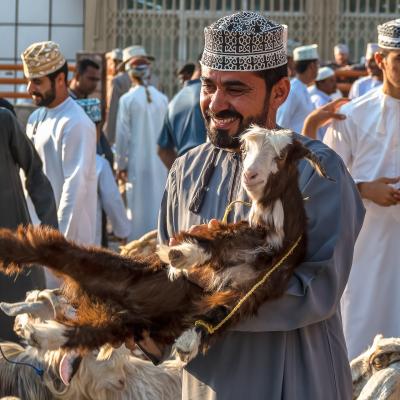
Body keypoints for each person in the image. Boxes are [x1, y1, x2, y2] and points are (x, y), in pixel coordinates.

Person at [152, 12, 364, 399]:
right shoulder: (187, 169)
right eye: (208, 86)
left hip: (292, 374)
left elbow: (318, 288)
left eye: (235, 89)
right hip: (204, 380)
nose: (216, 103)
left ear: (279, 92)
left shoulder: (318, 170)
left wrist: (204, 300)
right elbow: (168, 265)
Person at [324, 18, 400, 360]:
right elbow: (324, 181)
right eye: (399, 61)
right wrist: (365, 189)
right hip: (367, 242)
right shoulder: (352, 115)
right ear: (381, 61)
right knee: (363, 329)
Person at [22, 41, 97, 287]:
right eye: (29, 80)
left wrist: (58, 245)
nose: (30, 88)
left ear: (61, 79)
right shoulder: (36, 117)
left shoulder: (76, 123)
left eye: (37, 82)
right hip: (38, 240)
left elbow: (75, 188)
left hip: (67, 245)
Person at [0, 107, 58, 340]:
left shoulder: (3, 122)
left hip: (16, 256)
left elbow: (35, 173)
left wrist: (49, 234)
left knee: (24, 337)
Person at [115, 56, 168, 241]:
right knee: (157, 203)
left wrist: (120, 164)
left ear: (131, 76)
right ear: (149, 73)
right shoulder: (163, 99)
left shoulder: (127, 100)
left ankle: (137, 248)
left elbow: (122, 136)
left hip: (136, 164)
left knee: (136, 208)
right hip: (160, 164)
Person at [76, 98, 130, 246]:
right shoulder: (99, 164)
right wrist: (122, 232)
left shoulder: (60, 157)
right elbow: (113, 201)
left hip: (57, 241)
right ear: (96, 130)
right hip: (89, 245)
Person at [157, 59, 206, 169]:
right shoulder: (212, 96)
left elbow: (163, 151)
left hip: (185, 176)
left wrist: (180, 174)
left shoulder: (174, 101)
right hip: (214, 174)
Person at [104, 45, 156, 144]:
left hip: (129, 138)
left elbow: (113, 112)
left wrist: (110, 140)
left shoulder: (118, 81)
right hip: (152, 138)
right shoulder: (155, 80)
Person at [277, 44, 318, 133]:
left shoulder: (303, 88)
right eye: (317, 64)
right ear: (312, 66)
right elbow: (281, 123)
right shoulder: (293, 90)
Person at [307, 67, 338, 140]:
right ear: (320, 83)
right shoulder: (319, 100)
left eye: (334, 80)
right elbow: (327, 128)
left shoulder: (322, 98)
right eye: (331, 81)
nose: (335, 84)